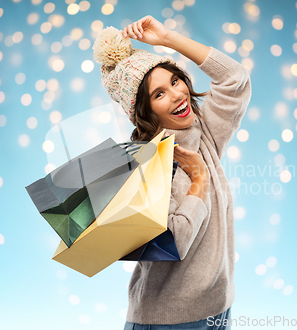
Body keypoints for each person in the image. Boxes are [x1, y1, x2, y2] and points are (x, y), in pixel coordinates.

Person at [93, 15, 251, 330]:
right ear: (145, 111)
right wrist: (199, 182)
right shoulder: (144, 165)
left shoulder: (204, 130)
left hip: (218, 309)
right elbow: (171, 244)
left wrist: (168, 39)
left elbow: (235, 78)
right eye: (158, 94)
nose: (177, 95)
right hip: (169, 319)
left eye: (174, 81)